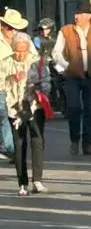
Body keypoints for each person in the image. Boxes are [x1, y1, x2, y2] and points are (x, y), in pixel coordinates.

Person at [53, 3, 91, 156]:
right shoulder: (65, 31)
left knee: (89, 110)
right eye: (77, 14)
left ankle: (88, 144)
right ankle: (74, 141)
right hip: (72, 76)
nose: (78, 17)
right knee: (74, 108)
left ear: (88, 17)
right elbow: (56, 53)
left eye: (82, 14)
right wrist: (68, 66)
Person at [4, 33, 46, 196]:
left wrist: (43, 93)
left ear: (29, 48)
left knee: (37, 140)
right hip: (15, 107)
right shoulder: (6, 62)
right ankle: (22, 182)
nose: (21, 54)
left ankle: (37, 180)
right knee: (19, 143)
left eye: (24, 50)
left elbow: (46, 80)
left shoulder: (36, 62)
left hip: (35, 105)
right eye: (17, 50)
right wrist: (12, 78)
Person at [0, 8, 27, 160]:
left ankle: (14, 148)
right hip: (2, 84)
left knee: (15, 116)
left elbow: (32, 57)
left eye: (15, 28)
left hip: (18, 87)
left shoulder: (22, 40)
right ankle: (11, 149)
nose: (12, 31)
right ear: (3, 26)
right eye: (10, 27)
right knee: (3, 115)